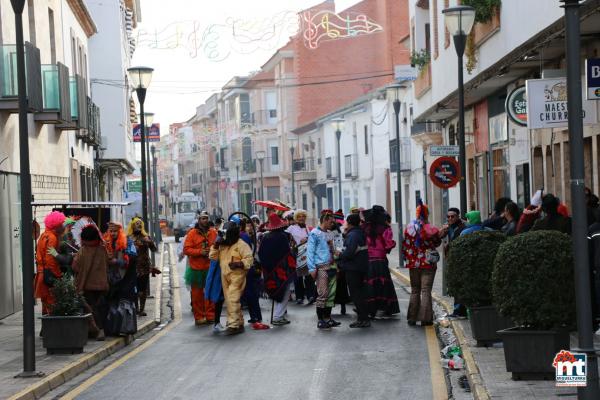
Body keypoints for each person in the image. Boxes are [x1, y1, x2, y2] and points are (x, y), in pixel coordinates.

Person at [209, 222, 254, 335]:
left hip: (237, 276)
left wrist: (239, 264)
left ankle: (233, 325)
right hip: (225, 276)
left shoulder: (241, 244)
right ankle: (239, 322)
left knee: (232, 299)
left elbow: (249, 259)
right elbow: (212, 257)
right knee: (230, 300)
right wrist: (215, 245)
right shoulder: (222, 245)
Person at [403, 203, 441, 326]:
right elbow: (437, 242)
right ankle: (425, 318)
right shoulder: (430, 229)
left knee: (415, 290)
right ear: (427, 214)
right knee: (425, 290)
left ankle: (412, 318)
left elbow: (405, 244)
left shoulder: (409, 228)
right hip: (427, 264)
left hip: (413, 264)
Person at [257, 213, 296, 326]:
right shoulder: (283, 237)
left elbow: (260, 254)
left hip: (269, 270)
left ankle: (279, 315)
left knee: (276, 291)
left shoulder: (265, 237)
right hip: (281, 269)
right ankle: (278, 316)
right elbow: (287, 253)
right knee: (285, 292)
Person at [72, 225, 109, 340]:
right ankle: (100, 330)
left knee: (90, 309)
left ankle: (98, 331)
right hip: (102, 284)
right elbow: (108, 262)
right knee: (99, 307)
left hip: (87, 285)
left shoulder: (83, 251)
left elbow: (75, 267)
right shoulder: (102, 249)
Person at [363, 205, 400, 319]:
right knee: (384, 284)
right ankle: (387, 307)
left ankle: (371, 309)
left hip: (368, 259)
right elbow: (388, 244)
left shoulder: (366, 227)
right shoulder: (384, 228)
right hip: (381, 259)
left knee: (370, 284)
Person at [184, 211, 218, 325]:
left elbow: (219, 246)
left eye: (206, 218)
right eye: (203, 218)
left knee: (210, 293)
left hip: (210, 267)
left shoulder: (213, 232)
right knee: (197, 295)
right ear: (199, 220)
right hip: (196, 269)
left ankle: (210, 315)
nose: (205, 220)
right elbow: (186, 249)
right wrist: (200, 252)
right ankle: (199, 317)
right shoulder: (192, 233)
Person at [338, 213, 370, 328]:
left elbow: (349, 252)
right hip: (360, 267)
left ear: (350, 223)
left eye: (346, 221)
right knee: (360, 293)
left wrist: (340, 254)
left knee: (356, 294)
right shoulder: (359, 233)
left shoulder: (353, 235)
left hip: (353, 268)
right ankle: (363, 318)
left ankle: (363, 319)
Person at [307, 211, 338, 330]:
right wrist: (311, 268)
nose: (332, 224)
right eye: (330, 222)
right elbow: (310, 251)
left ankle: (328, 318)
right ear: (324, 220)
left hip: (332, 266)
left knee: (331, 294)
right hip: (321, 267)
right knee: (323, 293)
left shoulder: (329, 233)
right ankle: (320, 320)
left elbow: (334, 249)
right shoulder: (314, 233)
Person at [35, 211, 67, 316]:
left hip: (42, 272)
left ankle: (45, 329)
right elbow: (50, 260)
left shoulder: (44, 235)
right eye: (61, 224)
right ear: (56, 226)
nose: (63, 226)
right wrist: (56, 275)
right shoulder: (52, 238)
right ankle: (50, 328)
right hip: (48, 274)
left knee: (45, 302)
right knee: (51, 301)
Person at [439, 207, 467, 318]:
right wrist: (443, 230)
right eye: (448, 216)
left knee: (459, 286)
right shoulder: (449, 227)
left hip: (459, 260)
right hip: (452, 260)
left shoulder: (462, 227)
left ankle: (459, 311)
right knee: (455, 286)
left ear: (458, 216)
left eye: (452, 216)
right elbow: (440, 237)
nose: (450, 218)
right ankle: (457, 310)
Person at [127, 218, 157, 317]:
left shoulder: (146, 237)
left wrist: (150, 242)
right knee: (133, 289)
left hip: (144, 267)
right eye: (136, 224)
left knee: (142, 289)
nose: (138, 225)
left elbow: (154, 249)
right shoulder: (129, 237)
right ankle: (135, 308)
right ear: (132, 225)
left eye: (140, 224)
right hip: (131, 266)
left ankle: (141, 309)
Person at [286, 209, 316, 305]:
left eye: (303, 216)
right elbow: (287, 239)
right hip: (296, 253)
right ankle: (299, 296)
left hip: (306, 253)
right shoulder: (291, 228)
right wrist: (294, 242)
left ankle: (310, 295)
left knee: (308, 275)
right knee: (297, 276)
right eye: (299, 216)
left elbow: (311, 239)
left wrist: (307, 239)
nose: (301, 218)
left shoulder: (307, 228)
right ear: (296, 218)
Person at [332, 210, 350, 315]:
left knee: (338, 285)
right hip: (337, 261)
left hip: (337, 261)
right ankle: (342, 305)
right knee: (340, 285)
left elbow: (340, 248)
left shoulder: (340, 234)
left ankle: (340, 305)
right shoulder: (341, 233)